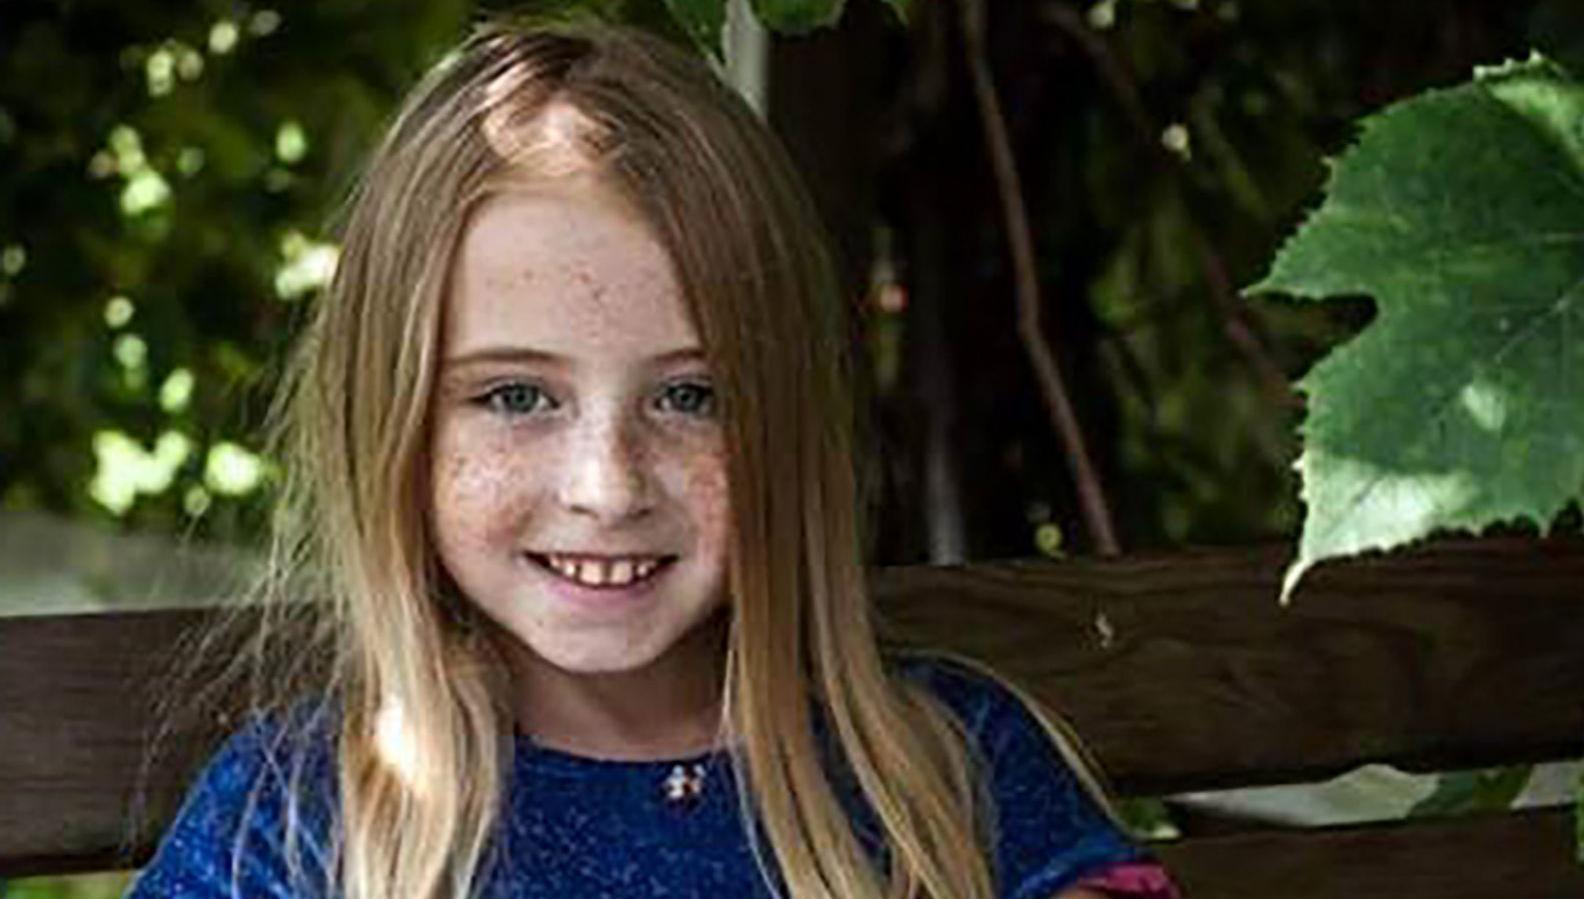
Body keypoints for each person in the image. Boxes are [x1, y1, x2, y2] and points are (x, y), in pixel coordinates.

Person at [125, 15, 1181, 899]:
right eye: (514, 396)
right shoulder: (302, 819)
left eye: (690, 396)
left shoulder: (942, 770)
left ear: (787, 421)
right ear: (392, 421)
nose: (607, 484)